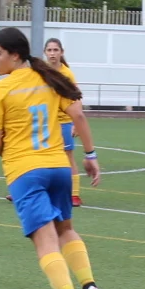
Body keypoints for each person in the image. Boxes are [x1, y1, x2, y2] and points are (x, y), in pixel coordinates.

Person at [0, 26, 112, 289]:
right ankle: (90, 285)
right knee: (66, 230)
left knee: (45, 241)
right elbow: (78, 116)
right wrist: (90, 155)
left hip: (25, 171)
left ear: (15, 55)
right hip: (59, 168)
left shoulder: (1, 89)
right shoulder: (50, 79)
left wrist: (14, 157)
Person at [44, 38, 87, 204]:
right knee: (38, 156)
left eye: (55, 50)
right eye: (49, 50)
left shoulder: (67, 73)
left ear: (61, 52)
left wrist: (76, 123)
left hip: (63, 122)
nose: (52, 53)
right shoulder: (40, 71)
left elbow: (76, 97)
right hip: (45, 122)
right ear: (45, 52)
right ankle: (30, 189)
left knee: (68, 157)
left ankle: (74, 194)